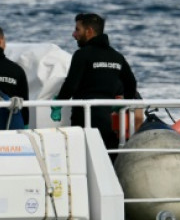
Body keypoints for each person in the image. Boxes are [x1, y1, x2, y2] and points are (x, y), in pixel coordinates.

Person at [52, 13, 138, 154]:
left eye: (77, 30)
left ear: (89, 31)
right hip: (107, 122)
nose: (74, 34)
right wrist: (123, 104)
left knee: (83, 156)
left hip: (84, 121)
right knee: (107, 154)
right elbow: (131, 83)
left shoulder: (82, 54)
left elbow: (71, 85)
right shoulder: (116, 56)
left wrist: (58, 104)